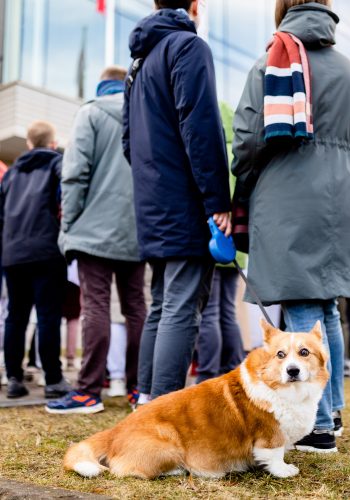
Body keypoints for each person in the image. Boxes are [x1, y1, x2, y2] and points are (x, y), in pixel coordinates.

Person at [232, 0, 350, 452]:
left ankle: (316, 428)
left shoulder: (270, 62)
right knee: (326, 312)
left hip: (287, 195)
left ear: (282, 9)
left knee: (300, 304)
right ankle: (332, 411)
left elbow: (246, 139)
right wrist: (343, 173)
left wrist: (253, 172)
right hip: (340, 200)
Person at [124, 0, 231, 401]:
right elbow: (201, 128)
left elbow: (128, 144)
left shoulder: (138, 63)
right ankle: (161, 420)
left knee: (162, 305)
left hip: (152, 201)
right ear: (195, 5)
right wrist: (218, 200)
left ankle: (146, 407)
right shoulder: (188, 47)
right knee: (181, 307)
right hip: (185, 202)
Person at [46, 67, 146, 415]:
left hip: (92, 232)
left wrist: (68, 224)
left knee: (96, 306)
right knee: (136, 308)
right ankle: (139, 390)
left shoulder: (90, 113)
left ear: (101, 85)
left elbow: (74, 174)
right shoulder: (145, 112)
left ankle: (88, 392)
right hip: (138, 229)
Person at [0, 121, 71, 399]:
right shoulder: (58, 164)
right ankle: (53, 379)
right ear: (53, 143)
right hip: (46, 250)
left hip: (13, 253)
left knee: (15, 316)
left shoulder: (12, 172)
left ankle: (14, 378)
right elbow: (66, 201)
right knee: (48, 316)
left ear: (29, 144)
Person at [195, 103, 246, 384]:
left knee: (210, 309)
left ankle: (206, 373)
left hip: (214, 238)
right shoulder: (237, 153)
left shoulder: (209, 151)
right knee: (228, 309)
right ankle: (234, 368)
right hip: (235, 243)